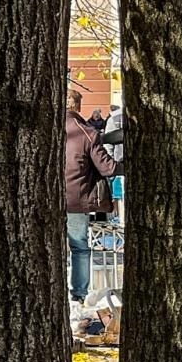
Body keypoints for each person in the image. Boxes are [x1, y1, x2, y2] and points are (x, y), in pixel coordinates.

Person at [64, 90, 119, 319]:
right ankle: (78, 294)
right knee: (79, 248)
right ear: (78, 106)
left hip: (46, 199)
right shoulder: (87, 133)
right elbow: (107, 168)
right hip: (75, 200)